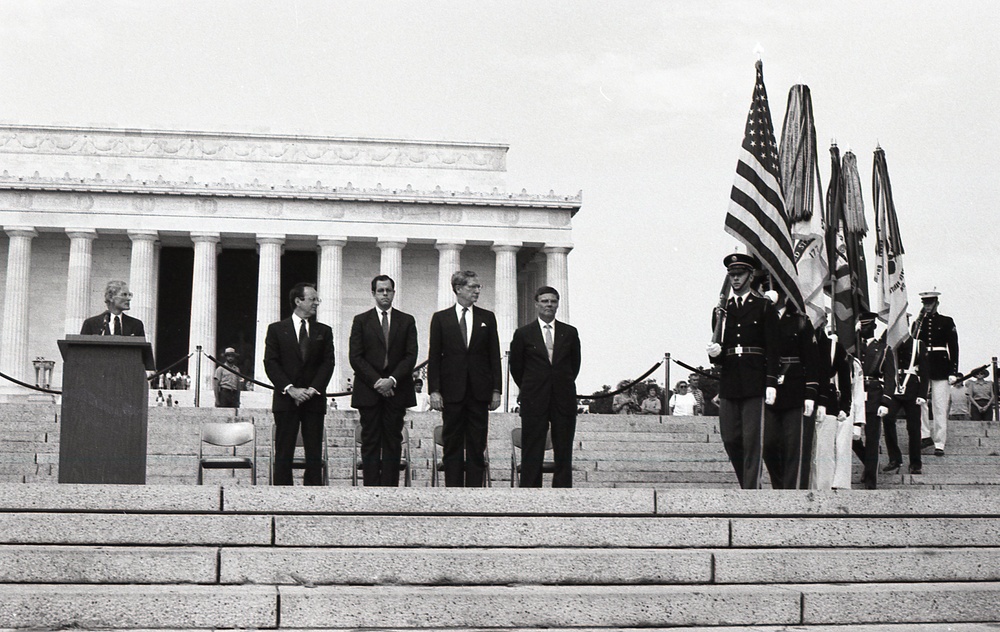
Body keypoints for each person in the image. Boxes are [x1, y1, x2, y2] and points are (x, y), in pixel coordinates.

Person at [706, 253, 779, 490]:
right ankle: (745, 483)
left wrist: (770, 381)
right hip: (730, 379)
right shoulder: (721, 310)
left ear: (750, 276)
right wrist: (714, 353)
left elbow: (773, 347)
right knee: (730, 438)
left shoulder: (763, 306)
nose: (735, 279)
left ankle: (750, 488)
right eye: (732, 275)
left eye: (740, 274)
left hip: (754, 377)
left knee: (752, 439)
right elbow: (718, 346)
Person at [427, 270, 502, 487]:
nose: (477, 291)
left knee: (478, 444)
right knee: (452, 443)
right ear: (458, 289)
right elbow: (434, 356)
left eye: (478, 287)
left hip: (479, 392)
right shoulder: (441, 318)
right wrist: (434, 390)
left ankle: (475, 492)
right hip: (452, 392)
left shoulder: (487, 318)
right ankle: (453, 491)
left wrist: (496, 389)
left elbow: (493, 355)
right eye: (472, 287)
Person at [509, 285, 581, 488]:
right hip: (534, 397)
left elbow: (574, 365)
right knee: (532, 447)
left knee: (564, 446)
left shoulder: (569, 332)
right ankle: (530, 490)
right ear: (536, 304)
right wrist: (531, 387)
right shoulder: (523, 333)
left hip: (563, 397)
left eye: (553, 301)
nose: (549, 305)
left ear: (558, 304)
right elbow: (516, 367)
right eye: (544, 301)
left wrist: (559, 383)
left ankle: (562, 490)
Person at [349, 275, 418, 487]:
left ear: (394, 293)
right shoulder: (361, 321)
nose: (385, 294)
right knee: (370, 441)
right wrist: (378, 382)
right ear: (373, 294)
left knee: (392, 441)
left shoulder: (406, 320)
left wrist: (392, 380)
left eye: (388, 290)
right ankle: (370, 489)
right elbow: (356, 357)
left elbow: (410, 355)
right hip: (369, 392)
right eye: (380, 290)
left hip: (397, 391)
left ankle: (389, 489)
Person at [264, 282, 335, 486]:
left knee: (314, 451)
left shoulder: (324, 331)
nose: (316, 303)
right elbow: (271, 362)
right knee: (284, 450)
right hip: (286, 399)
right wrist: (291, 389)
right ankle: (282, 495)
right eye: (312, 299)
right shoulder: (276, 329)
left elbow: (328, 363)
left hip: (314, 399)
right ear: (298, 301)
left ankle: (313, 494)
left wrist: (313, 389)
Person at [761, 288, 818, 490]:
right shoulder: (760, 317)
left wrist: (810, 392)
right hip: (766, 386)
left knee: (794, 445)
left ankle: (791, 490)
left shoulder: (800, 320)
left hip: (794, 387)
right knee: (767, 443)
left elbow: (811, 359)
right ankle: (780, 485)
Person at [913, 290, 959, 457]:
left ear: (936, 303)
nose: (927, 306)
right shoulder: (918, 324)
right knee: (921, 403)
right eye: (925, 303)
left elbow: (953, 347)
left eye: (930, 303)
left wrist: (953, 370)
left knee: (939, 406)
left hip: (941, 366)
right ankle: (924, 436)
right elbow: (913, 344)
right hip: (923, 366)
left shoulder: (946, 321)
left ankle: (939, 442)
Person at [810, 322, 854, 489]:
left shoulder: (834, 347)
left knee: (825, 452)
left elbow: (844, 380)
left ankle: (824, 489)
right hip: (802, 400)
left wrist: (845, 406)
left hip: (828, 402)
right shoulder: (800, 343)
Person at [880, 325, 928, 475]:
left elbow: (925, 372)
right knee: (888, 419)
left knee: (914, 427)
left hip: (912, 387)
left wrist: (922, 394)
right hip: (894, 386)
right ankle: (894, 458)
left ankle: (915, 463)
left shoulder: (918, 344)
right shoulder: (889, 341)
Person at [853, 311, 889, 489]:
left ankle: (870, 480)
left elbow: (890, 378)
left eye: (867, 326)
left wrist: (886, 401)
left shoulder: (883, 349)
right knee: (853, 438)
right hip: (856, 395)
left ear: (874, 327)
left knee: (873, 439)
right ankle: (870, 465)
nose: (863, 329)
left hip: (874, 395)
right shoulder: (853, 348)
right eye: (862, 326)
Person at [80, 280, 145, 337]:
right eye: (124, 295)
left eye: (129, 295)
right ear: (111, 297)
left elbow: (143, 350)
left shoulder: (136, 325)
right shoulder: (91, 324)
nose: (128, 299)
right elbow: (81, 350)